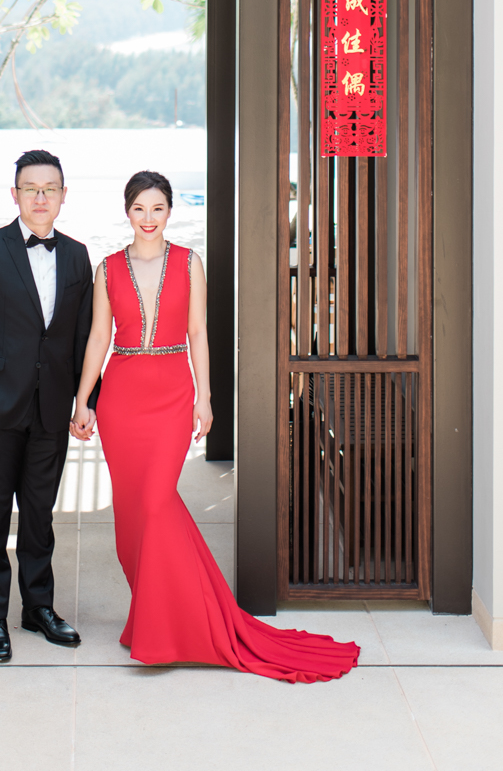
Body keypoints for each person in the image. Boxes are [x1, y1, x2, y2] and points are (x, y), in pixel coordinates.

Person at [70, 170, 360, 682]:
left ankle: (171, 628)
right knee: (132, 517)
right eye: (139, 208)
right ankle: (154, 616)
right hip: (121, 400)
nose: (149, 218)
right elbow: (98, 336)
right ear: (127, 211)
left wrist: (204, 397)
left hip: (171, 394)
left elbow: (199, 332)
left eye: (158, 208)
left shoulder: (189, 262)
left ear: (170, 210)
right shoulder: (107, 268)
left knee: (156, 503)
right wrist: (83, 400)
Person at [0, 148, 95, 663]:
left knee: (38, 515)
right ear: (15, 195)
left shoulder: (77, 256)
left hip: (51, 407)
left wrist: (85, 400)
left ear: (63, 195)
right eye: (31, 188)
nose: (41, 197)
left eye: (50, 189)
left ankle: (38, 608)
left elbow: (82, 337)